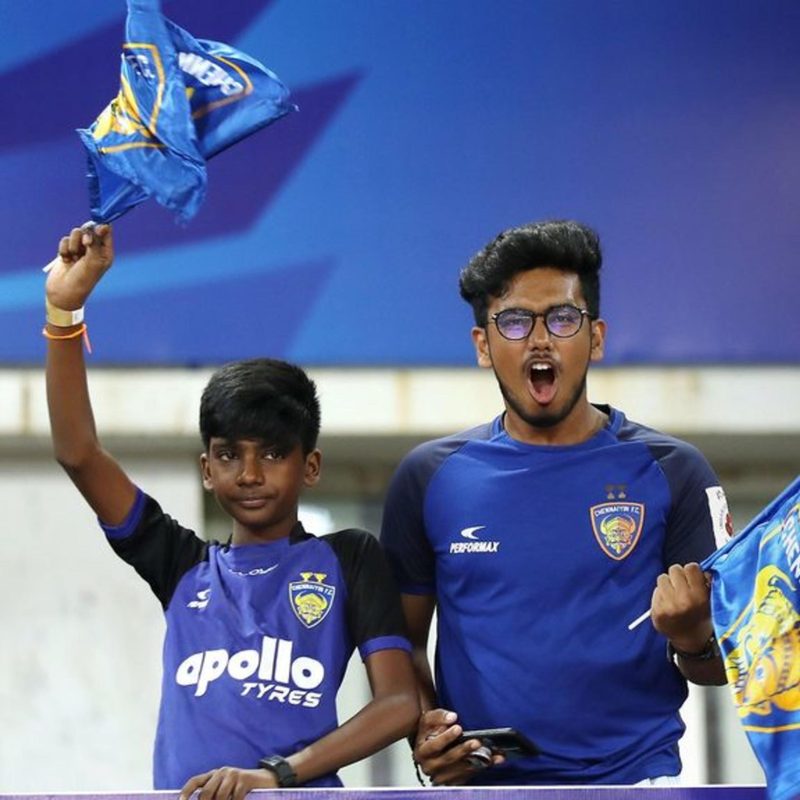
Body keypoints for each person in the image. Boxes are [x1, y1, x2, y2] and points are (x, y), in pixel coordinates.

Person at [44, 223, 419, 797]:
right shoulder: (180, 564)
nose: (248, 474)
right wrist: (62, 312)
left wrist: (275, 776)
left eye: (272, 454)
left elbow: (398, 704)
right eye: (229, 455)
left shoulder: (349, 557)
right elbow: (78, 453)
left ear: (310, 466)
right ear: (206, 468)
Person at [379, 219, 730, 787]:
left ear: (596, 337)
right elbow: (401, 647)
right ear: (483, 345)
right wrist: (427, 730)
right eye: (515, 321)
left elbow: (726, 666)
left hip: (636, 784)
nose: (540, 340)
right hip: (483, 789)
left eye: (563, 318)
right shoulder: (428, 477)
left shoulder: (675, 470)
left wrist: (691, 638)